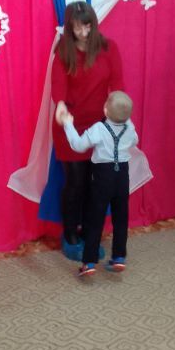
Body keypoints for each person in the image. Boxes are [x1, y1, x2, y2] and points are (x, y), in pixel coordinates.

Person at [52, 2, 123, 251]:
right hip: (70, 125)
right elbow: (58, 87)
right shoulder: (63, 51)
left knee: (98, 184)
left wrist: (119, 112)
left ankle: (91, 231)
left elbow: (118, 84)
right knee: (76, 183)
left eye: (88, 26)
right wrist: (60, 106)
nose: (84, 32)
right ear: (69, 27)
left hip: (101, 126)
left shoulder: (108, 48)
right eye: (78, 28)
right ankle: (70, 233)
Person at [56, 91, 138, 276]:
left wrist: (68, 124)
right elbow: (135, 140)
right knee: (121, 218)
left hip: (102, 176)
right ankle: (119, 256)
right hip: (122, 176)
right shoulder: (129, 126)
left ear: (105, 110)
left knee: (95, 219)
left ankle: (89, 262)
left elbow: (78, 145)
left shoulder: (99, 128)